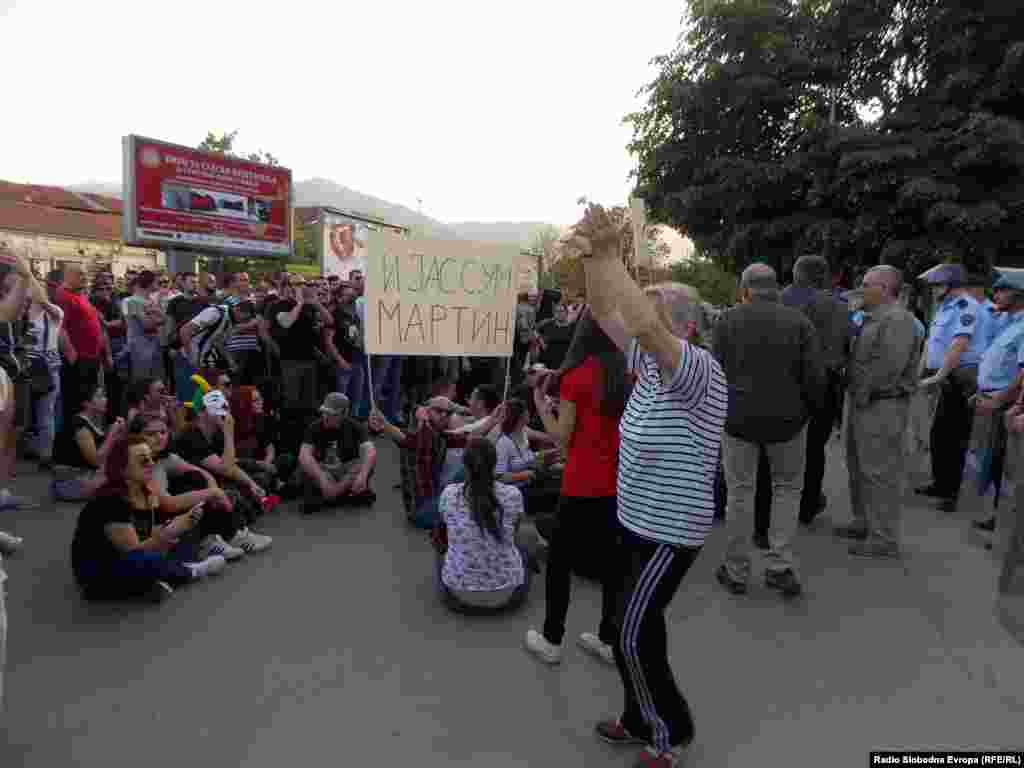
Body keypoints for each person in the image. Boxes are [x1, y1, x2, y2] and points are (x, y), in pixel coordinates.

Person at [570, 203, 727, 766]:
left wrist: (615, 256)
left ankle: (670, 734)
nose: (645, 320)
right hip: (632, 520)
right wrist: (594, 259)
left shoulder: (700, 370)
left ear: (682, 326)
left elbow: (637, 320)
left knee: (633, 636)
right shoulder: (650, 360)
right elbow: (606, 309)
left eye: (657, 312)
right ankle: (639, 716)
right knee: (631, 629)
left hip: (668, 532)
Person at [712, 263, 825, 598]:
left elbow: (715, 371)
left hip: (738, 421)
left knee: (740, 493)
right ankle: (780, 566)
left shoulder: (727, 321)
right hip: (788, 421)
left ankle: (736, 570)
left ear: (745, 287)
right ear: (776, 287)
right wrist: (807, 411)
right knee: (787, 490)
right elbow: (814, 377)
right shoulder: (799, 322)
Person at [525, 306, 628, 666]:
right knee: (614, 566)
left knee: (559, 562)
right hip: (619, 481)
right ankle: (608, 639)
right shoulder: (626, 373)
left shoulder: (578, 376)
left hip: (582, 481)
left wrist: (541, 403)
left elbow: (561, 439)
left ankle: (552, 639)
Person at [70, 435, 227, 603]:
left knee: (185, 533)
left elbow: (151, 534)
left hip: (137, 554)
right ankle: (190, 571)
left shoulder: (146, 491)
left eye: (151, 458)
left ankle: (162, 576)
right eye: (143, 461)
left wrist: (180, 525)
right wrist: (167, 534)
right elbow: (134, 551)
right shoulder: (110, 501)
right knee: (144, 561)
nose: (152, 464)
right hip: (101, 567)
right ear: (122, 469)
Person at [832, 266, 920, 558]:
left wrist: (862, 392)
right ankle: (864, 522)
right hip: (864, 402)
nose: (861, 287)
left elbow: (889, 369)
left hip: (881, 404)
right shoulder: (873, 318)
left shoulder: (898, 320)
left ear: (884, 288)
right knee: (859, 467)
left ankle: (883, 538)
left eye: (866, 284)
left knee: (879, 473)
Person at [781, 255, 851, 525]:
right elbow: (848, 344)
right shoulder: (840, 306)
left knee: (783, 446)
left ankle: (781, 502)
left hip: (790, 383)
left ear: (799, 274)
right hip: (826, 384)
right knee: (814, 448)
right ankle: (808, 504)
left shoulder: (783, 300)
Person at [916, 264, 991, 512]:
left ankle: (953, 492)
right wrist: (923, 371)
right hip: (947, 376)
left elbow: (959, 344)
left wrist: (939, 375)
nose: (934, 289)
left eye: (938, 284)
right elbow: (933, 342)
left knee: (956, 435)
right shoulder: (945, 307)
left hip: (962, 376)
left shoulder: (966, 307)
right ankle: (941, 483)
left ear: (951, 285)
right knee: (940, 433)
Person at [371, 397, 504, 529]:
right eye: (439, 411)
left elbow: (470, 436)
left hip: (437, 499)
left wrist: (493, 419)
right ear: (427, 411)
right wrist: (385, 424)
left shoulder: (441, 436)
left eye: (448, 413)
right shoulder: (418, 434)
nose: (444, 415)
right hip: (422, 512)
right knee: (471, 466)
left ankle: (480, 511)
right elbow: (401, 436)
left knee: (473, 461)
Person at [134, 412, 245, 562]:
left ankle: (223, 536)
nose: (160, 437)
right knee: (197, 487)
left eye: (162, 432)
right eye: (151, 434)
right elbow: (168, 504)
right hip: (146, 524)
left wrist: (214, 490)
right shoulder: (140, 461)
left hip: (164, 514)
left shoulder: (165, 457)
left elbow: (202, 472)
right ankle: (212, 541)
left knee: (199, 480)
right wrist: (212, 492)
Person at [172, 389, 273, 553]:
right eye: (218, 410)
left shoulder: (214, 433)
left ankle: (233, 534)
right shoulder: (191, 436)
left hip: (205, 483)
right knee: (221, 491)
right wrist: (228, 433)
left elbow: (230, 464)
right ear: (202, 412)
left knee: (246, 484)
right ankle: (223, 537)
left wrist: (251, 483)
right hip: (185, 489)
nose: (223, 414)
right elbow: (225, 468)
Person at [437, 438, 530, 614]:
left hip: (459, 596)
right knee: (524, 542)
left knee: (440, 543)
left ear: (464, 466)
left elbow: (444, 525)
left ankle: (456, 574)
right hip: (507, 597)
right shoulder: (513, 494)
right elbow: (515, 532)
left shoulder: (449, 494)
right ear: (494, 465)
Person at [963, 271, 1024, 535]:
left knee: (1004, 464)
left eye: (1003, 290)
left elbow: (1022, 372)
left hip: (1006, 403)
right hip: (993, 398)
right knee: (994, 462)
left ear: (1019, 295)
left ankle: (1006, 525)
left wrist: (1002, 397)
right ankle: (1000, 520)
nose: (996, 294)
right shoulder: (1009, 323)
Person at [296, 392, 378, 514]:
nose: (325, 417)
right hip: (325, 472)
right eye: (324, 412)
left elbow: (370, 452)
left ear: (343, 414)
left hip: (346, 473)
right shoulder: (314, 427)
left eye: (331, 414)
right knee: (304, 467)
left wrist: (362, 475)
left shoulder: (356, 426)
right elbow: (304, 455)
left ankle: (332, 496)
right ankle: (344, 496)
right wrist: (322, 479)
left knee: (364, 465)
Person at [56, 263, 110, 429]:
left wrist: (105, 354)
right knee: (77, 404)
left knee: (89, 401)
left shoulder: (79, 295)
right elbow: (61, 328)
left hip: (91, 358)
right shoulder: (63, 296)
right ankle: (76, 439)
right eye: (80, 274)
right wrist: (72, 356)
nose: (85, 278)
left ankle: (87, 434)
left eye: (85, 274)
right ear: (68, 276)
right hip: (80, 360)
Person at [52, 385, 127, 501]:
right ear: (86, 403)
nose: (105, 399)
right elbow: (96, 460)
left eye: (105, 396)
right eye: (100, 396)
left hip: (87, 478)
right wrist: (112, 434)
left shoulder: (93, 423)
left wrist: (119, 433)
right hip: (71, 483)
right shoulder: (79, 426)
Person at [493, 399, 561, 518]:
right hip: (517, 491)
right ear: (520, 416)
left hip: (531, 483)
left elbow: (528, 459)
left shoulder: (523, 434)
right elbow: (499, 477)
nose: (529, 413)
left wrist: (548, 455)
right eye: (526, 411)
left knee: (559, 484)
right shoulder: (503, 443)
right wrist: (524, 475)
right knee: (556, 496)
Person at [122, 270, 164, 383]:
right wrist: (156, 315)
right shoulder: (133, 301)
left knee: (156, 382)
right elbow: (147, 325)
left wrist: (155, 313)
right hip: (139, 350)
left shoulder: (150, 300)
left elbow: (163, 319)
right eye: (156, 282)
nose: (159, 284)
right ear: (150, 283)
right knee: (141, 383)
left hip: (153, 347)